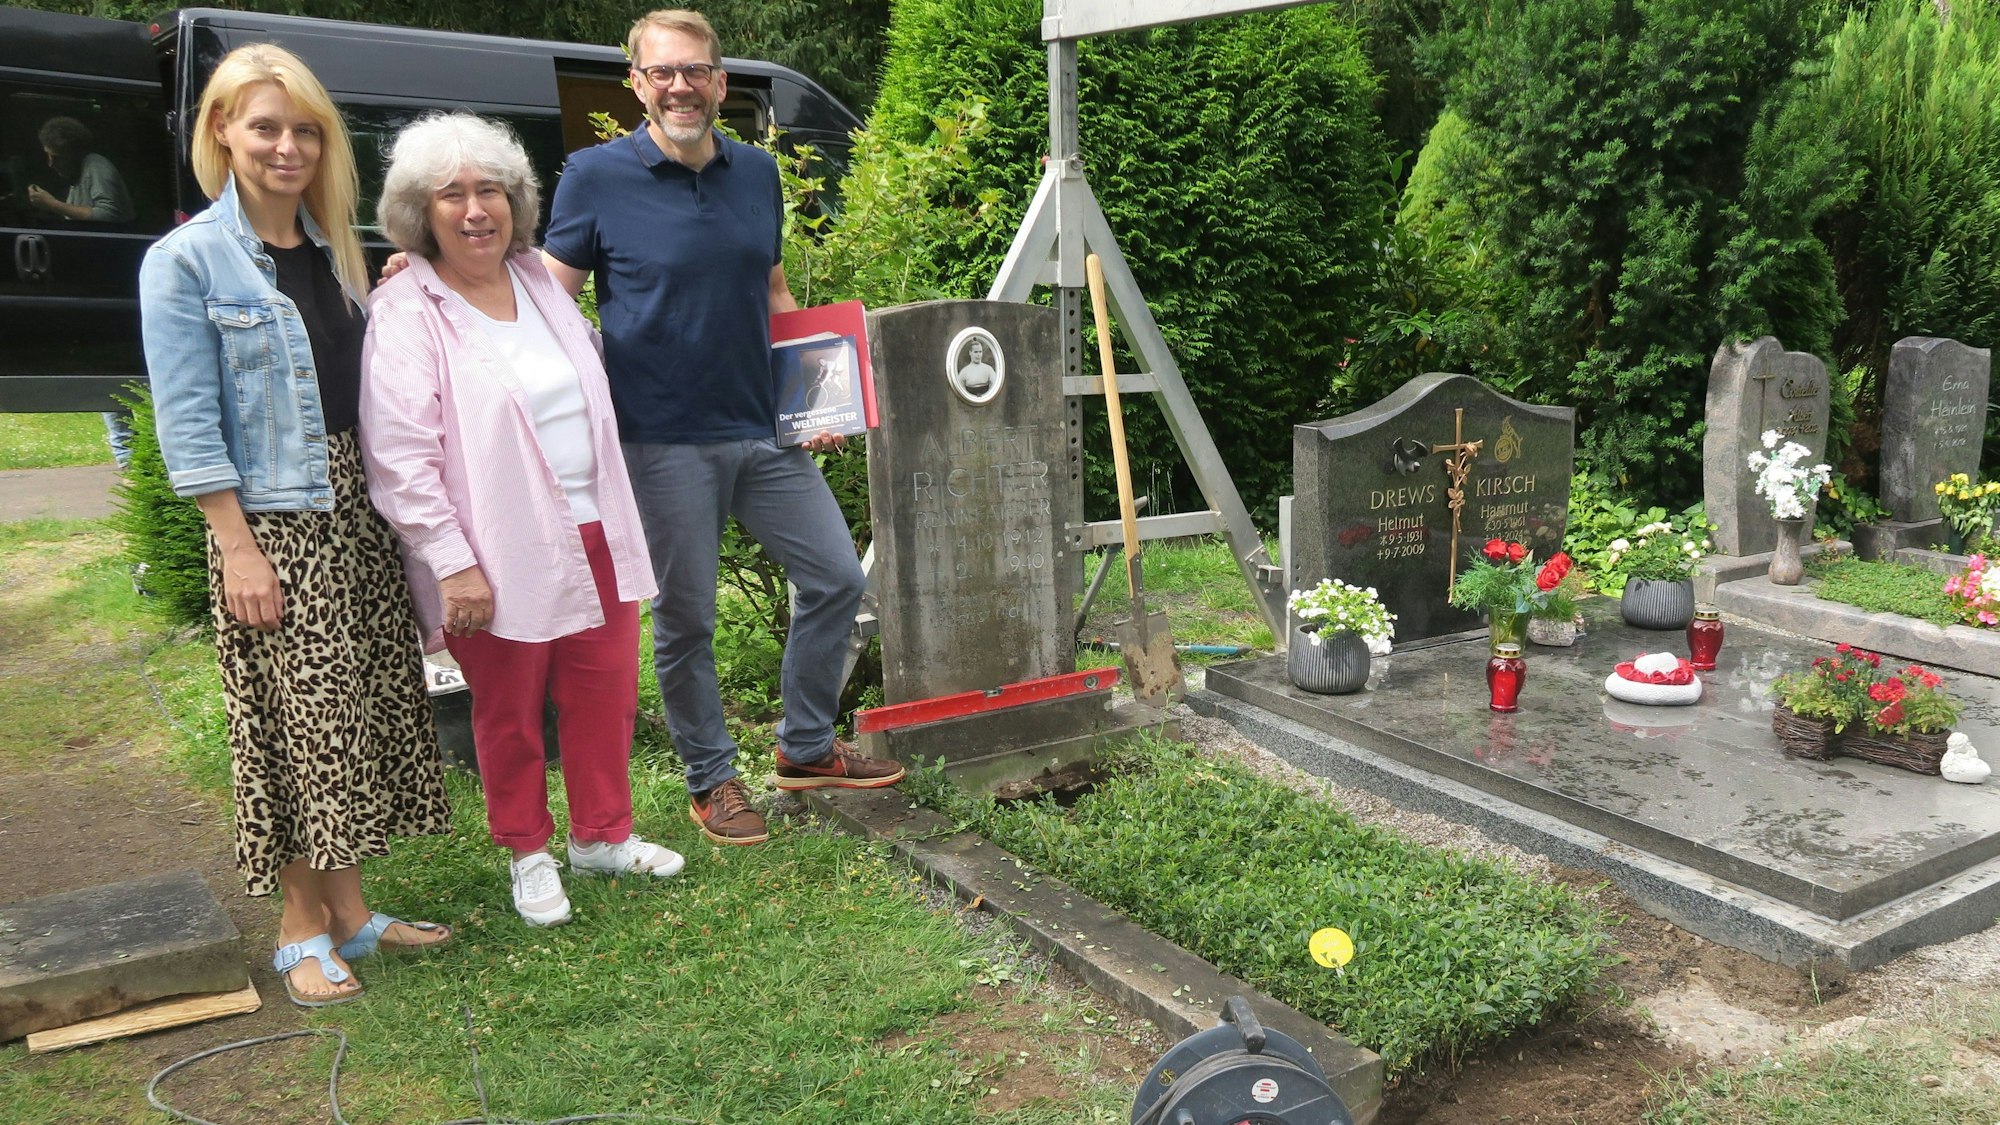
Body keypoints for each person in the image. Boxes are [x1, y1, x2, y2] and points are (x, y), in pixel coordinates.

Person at [539, 9, 903, 844]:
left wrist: (813, 398)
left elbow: (774, 291)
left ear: (720, 82)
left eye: (695, 71)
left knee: (837, 578)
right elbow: (550, 300)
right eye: (662, 72)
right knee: (687, 620)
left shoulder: (757, 173)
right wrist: (437, 278)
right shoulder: (594, 177)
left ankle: (805, 747)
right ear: (637, 84)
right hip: (661, 438)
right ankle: (712, 778)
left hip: (763, 429)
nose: (680, 86)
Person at [139, 44, 452, 1008]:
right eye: (265, 127)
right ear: (221, 131)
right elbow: (188, 423)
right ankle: (297, 927)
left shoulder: (336, 248)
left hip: (355, 507)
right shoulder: (186, 259)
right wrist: (237, 547)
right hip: (274, 523)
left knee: (351, 716)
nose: (288, 147)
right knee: (298, 726)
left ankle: (350, 912)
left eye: (305, 130)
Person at [360, 112, 681, 928]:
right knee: (509, 710)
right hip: (496, 546)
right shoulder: (407, 307)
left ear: (516, 202)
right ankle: (527, 851)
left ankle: (602, 834)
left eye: (491, 191)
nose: (476, 210)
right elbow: (399, 453)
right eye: (452, 194)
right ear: (420, 213)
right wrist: (452, 560)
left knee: (604, 692)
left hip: (595, 524)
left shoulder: (537, 279)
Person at [27, 116, 133, 223]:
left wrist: (53, 204)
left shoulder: (97, 167)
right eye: (48, 155)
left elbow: (108, 215)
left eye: (58, 158)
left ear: (75, 153)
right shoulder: (77, 175)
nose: (51, 164)